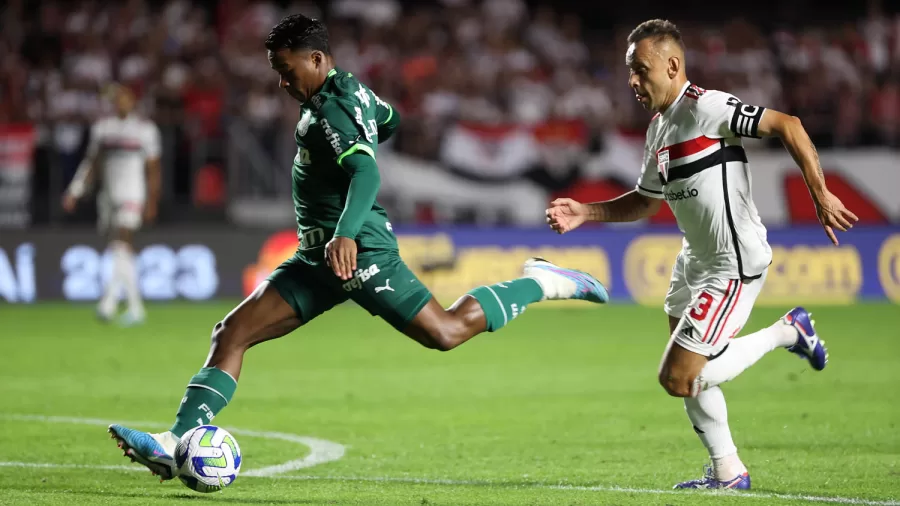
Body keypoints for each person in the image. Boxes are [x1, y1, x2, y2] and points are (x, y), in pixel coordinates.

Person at [106, 13, 609, 480]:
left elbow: (367, 169)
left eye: (287, 70)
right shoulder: (352, 95)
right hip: (317, 257)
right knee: (231, 332)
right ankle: (174, 442)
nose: (283, 82)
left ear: (318, 60)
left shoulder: (334, 106)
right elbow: (388, 122)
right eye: (277, 72)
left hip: (357, 251)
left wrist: (346, 232)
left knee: (447, 331)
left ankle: (540, 280)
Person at [546, 19, 858, 490]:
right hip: (694, 260)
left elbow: (786, 125)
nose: (632, 80)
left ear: (673, 66)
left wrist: (820, 194)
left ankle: (786, 331)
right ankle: (728, 471)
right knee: (690, 367)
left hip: (732, 263)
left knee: (679, 377)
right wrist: (586, 211)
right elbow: (646, 200)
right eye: (629, 70)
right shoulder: (658, 129)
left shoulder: (705, 107)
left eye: (640, 69)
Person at [63, 84, 161, 326]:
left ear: (133, 102)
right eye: (117, 99)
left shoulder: (145, 130)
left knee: (121, 242)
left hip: (133, 194)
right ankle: (135, 307)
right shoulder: (103, 129)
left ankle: (107, 304)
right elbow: (92, 163)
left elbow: (153, 169)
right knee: (120, 250)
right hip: (107, 197)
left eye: (125, 98)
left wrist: (152, 200)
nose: (121, 103)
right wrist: (75, 190)